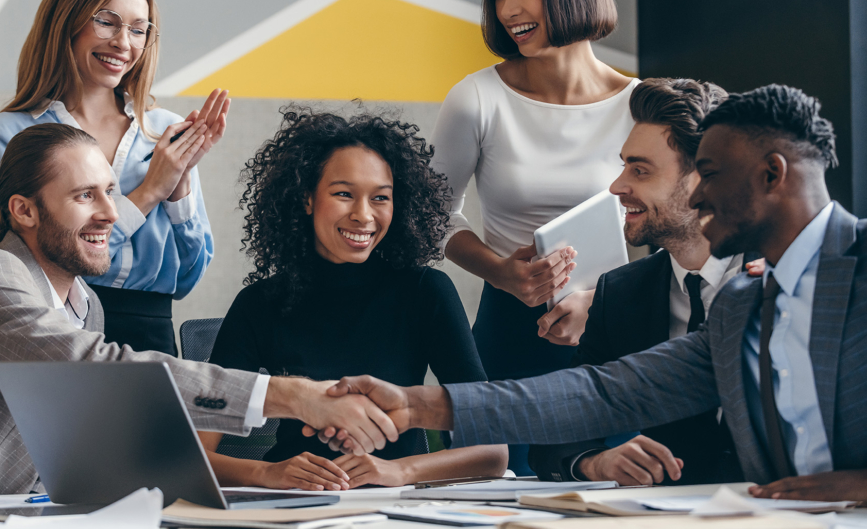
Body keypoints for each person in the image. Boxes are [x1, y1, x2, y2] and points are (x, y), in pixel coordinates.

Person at [312, 85, 867, 502]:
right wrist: (413, 405)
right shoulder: (744, 306)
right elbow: (606, 394)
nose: (700, 195)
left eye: (711, 173)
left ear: (772, 176)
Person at [0, 124, 398, 499]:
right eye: (86, 196)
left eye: (110, 192)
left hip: (14, 513)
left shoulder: (84, 303)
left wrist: (262, 475)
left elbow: (94, 446)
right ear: (23, 210)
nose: (112, 213)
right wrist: (290, 394)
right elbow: (93, 365)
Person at [198, 109, 507, 491]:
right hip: (292, 504)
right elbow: (192, 453)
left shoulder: (427, 292)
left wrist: (401, 471)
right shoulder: (258, 304)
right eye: (344, 194)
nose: (363, 216)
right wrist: (268, 474)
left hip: (396, 506)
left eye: (380, 198)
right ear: (307, 198)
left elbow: (494, 452)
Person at [429, 0, 638, 473]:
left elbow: (674, 233)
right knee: (498, 495)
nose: (509, 10)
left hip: (611, 331)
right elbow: (429, 219)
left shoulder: (642, 105)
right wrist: (501, 270)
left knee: (617, 496)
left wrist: (599, 297)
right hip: (507, 331)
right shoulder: (476, 98)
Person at [0, 0, 228, 356]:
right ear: (66, 22)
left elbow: (187, 280)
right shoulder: (10, 134)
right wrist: (151, 191)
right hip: (57, 327)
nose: (123, 43)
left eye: (138, 29)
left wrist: (180, 188)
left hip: (152, 334)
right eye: (106, 21)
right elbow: (43, 260)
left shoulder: (165, 130)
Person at [530, 78, 752, 486]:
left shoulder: (788, 274)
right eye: (623, 165)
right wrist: (594, 463)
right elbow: (556, 434)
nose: (617, 187)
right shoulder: (620, 294)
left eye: (640, 170)